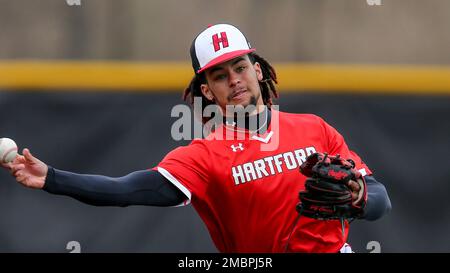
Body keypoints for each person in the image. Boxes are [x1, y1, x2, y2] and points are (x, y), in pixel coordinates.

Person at [1, 23, 391, 253]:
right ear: (206, 90)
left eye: (240, 67)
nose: (234, 80)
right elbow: (128, 190)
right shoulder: (204, 157)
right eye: (219, 75)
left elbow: (380, 199)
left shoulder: (314, 129)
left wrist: (359, 197)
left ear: (258, 71)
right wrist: (52, 178)